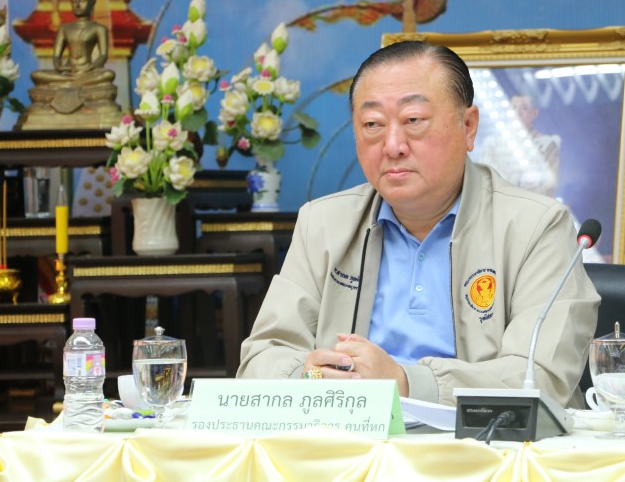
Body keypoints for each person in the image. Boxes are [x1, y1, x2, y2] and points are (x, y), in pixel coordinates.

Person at [237, 40, 600, 408]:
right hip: (348, 434)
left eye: (413, 120)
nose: (393, 145)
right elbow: (261, 357)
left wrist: (407, 384)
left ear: (468, 126)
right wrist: (310, 377)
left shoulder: (537, 226)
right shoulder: (323, 224)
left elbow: (541, 377)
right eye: (373, 124)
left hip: (477, 440)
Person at [31, 0, 115, 87]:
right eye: (74, 1)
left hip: (87, 71)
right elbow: (56, 56)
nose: (78, 5)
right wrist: (60, 67)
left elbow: (103, 56)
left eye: (83, 1)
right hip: (68, 71)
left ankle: (69, 84)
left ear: (92, 3)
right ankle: (71, 82)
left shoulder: (99, 29)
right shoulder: (64, 28)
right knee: (36, 75)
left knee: (108, 74)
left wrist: (89, 68)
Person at [480, 94, 560, 198]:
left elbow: (549, 184)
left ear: (534, 113)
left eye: (524, 108)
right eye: (513, 107)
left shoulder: (548, 145)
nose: (517, 113)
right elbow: (484, 179)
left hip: (531, 204)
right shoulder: (492, 144)